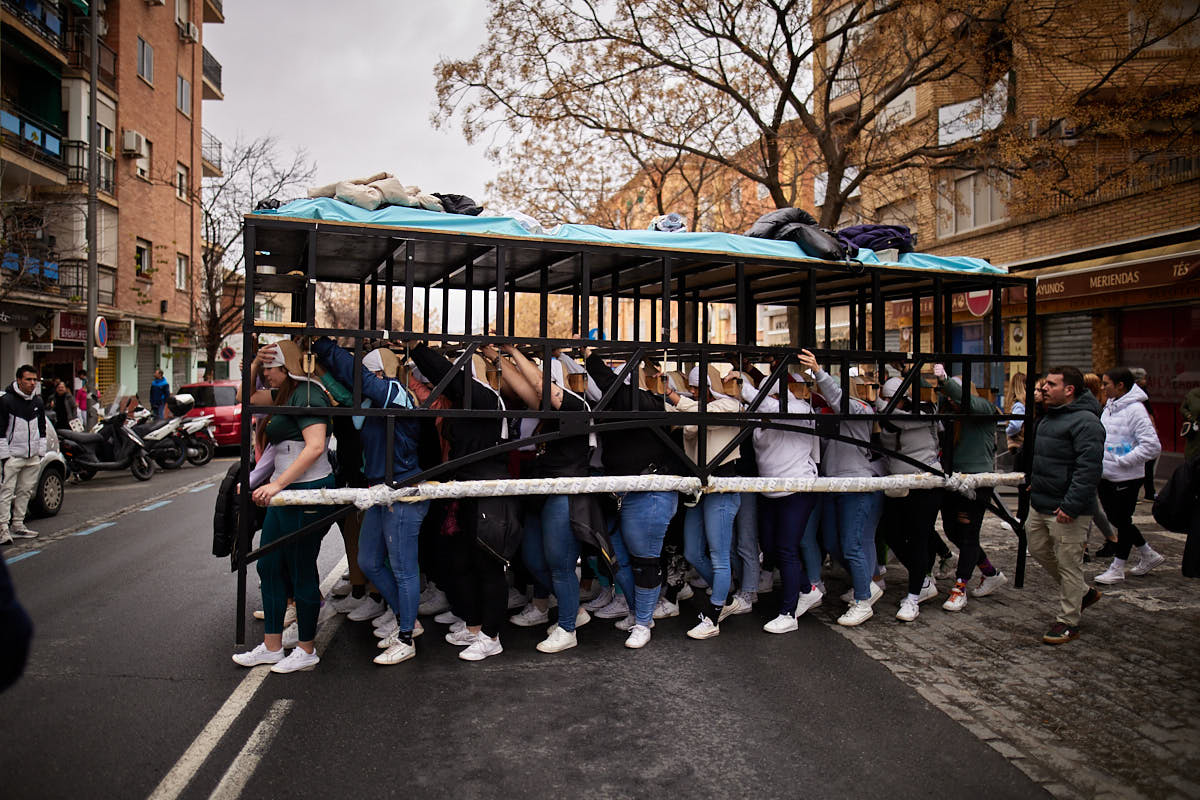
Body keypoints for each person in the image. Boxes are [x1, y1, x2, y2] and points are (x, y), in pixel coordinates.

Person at [310, 338, 428, 666]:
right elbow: (349, 381)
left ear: (378, 373)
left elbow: (353, 374)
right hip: (380, 491)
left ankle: (406, 636)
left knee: (404, 569)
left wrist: (322, 344)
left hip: (401, 493)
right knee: (370, 560)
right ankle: (409, 620)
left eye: (368, 374)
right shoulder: (374, 400)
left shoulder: (395, 393)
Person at [231, 341, 336, 674]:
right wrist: (252, 364)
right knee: (269, 566)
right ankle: (272, 647)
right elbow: (243, 399)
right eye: (263, 371)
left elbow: (316, 446)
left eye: (269, 370)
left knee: (299, 568)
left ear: (287, 367)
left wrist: (277, 484)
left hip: (306, 492)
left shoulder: (308, 395)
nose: (265, 377)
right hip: (283, 492)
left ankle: (306, 649)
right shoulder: (283, 394)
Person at [410, 342, 520, 662]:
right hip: (465, 491)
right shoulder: (466, 399)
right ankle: (474, 627)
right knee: (461, 564)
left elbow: (445, 376)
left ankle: (491, 636)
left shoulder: (485, 397)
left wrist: (416, 347)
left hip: (487, 492)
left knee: (488, 567)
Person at [584, 350, 680, 649]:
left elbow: (612, 386)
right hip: (623, 491)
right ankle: (640, 614)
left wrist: (591, 357)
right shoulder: (622, 400)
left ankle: (642, 623)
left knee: (644, 561)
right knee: (620, 559)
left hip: (650, 493)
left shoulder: (650, 402)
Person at [802, 351, 884, 627]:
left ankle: (863, 600)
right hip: (834, 484)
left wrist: (818, 371)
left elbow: (837, 398)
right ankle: (866, 587)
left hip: (856, 486)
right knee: (834, 543)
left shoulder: (860, 409)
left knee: (852, 545)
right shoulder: (834, 413)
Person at [1025, 367, 1105, 644]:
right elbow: (1049, 457)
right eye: (1044, 383)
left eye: (1050, 384)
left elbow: (1088, 469)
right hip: (1041, 502)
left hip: (1069, 509)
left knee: (1069, 564)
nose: (1043, 388)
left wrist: (1071, 506)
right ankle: (1083, 593)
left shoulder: (1086, 422)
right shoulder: (1049, 417)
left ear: (1069, 389)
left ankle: (1068, 621)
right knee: (1036, 548)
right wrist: (1037, 480)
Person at [665, 364, 742, 639]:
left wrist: (676, 399)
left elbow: (703, 417)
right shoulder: (693, 408)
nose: (695, 392)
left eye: (699, 389)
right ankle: (728, 598)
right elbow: (687, 425)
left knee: (719, 557)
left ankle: (713, 614)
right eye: (693, 388)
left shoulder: (730, 405)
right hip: (699, 486)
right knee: (693, 552)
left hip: (722, 486)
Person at [743, 368, 819, 634]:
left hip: (797, 489)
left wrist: (742, 384)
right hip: (770, 491)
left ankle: (788, 614)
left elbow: (764, 403)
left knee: (787, 549)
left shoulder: (798, 409)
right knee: (771, 549)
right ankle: (807, 589)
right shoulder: (762, 414)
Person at [932, 365, 1007, 612]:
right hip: (953, 479)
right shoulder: (952, 418)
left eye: (955, 397)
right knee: (953, 531)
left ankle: (959, 587)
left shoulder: (984, 409)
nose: (952, 402)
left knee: (969, 533)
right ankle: (990, 572)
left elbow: (968, 403)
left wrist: (944, 380)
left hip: (977, 481)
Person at [876, 373, 942, 622]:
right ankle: (923, 578)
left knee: (919, 538)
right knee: (891, 532)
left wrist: (876, 403)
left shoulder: (923, 412)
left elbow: (902, 421)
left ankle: (914, 596)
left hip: (925, 484)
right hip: (899, 484)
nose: (886, 403)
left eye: (890, 399)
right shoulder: (887, 418)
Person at [1094, 367, 1164, 584]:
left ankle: (1118, 566)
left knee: (1122, 521)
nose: (1103, 388)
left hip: (1127, 477)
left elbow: (1152, 446)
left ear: (1120, 385)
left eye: (1106, 384)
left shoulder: (1136, 410)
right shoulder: (1110, 407)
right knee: (1116, 519)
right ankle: (1147, 553)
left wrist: (1123, 461)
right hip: (1106, 474)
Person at [0, 366, 47, 544]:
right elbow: (0, 430)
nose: (32, 383)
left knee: (25, 491)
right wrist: (5, 456)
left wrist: (40, 451)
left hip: (32, 456)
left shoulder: (38, 402)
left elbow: (41, 428)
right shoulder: (6, 401)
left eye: (35, 380)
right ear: (19, 380)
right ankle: (2, 528)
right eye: (28, 379)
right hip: (12, 456)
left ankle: (18, 525)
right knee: (6, 492)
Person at [1130, 368, 1158, 501]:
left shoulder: (1137, 395)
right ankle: (1146, 491)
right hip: (1138, 436)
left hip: (1141, 436)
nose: (1146, 380)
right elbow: (1148, 413)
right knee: (1147, 464)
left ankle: (1147, 491)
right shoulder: (1138, 396)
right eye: (1144, 378)